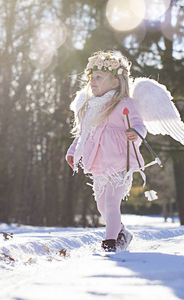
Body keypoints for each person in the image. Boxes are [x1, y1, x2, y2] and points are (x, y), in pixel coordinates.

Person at [65, 50, 147, 252]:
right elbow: (84, 133)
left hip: (120, 163)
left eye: (98, 78)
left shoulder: (125, 104)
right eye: (91, 78)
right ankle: (122, 233)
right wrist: (73, 151)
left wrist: (135, 133)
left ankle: (109, 242)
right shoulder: (92, 107)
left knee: (111, 203)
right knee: (102, 206)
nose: (92, 82)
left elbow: (140, 125)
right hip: (99, 165)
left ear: (115, 82)